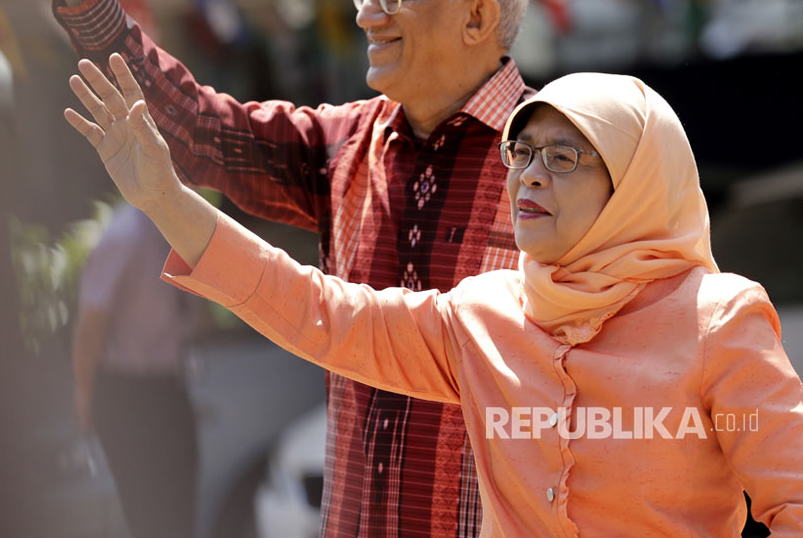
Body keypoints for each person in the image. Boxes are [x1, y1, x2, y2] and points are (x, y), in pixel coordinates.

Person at [66, 58, 803, 535]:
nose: (529, 176)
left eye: (565, 155)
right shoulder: (482, 315)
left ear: (637, 183)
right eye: (521, 151)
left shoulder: (718, 319)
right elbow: (320, 312)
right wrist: (167, 200)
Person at [53, 0, 535, 535]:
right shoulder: (347, 146)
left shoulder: (564, 162)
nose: (368, 16)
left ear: (476, 17)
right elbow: (195, 126)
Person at [71, 202, 203, 538]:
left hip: (168, 389)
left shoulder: (179, 229)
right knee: (149, 516)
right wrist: (85, 397)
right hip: (129, 394)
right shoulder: (125, 235)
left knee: (179, 516)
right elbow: (90, 327)